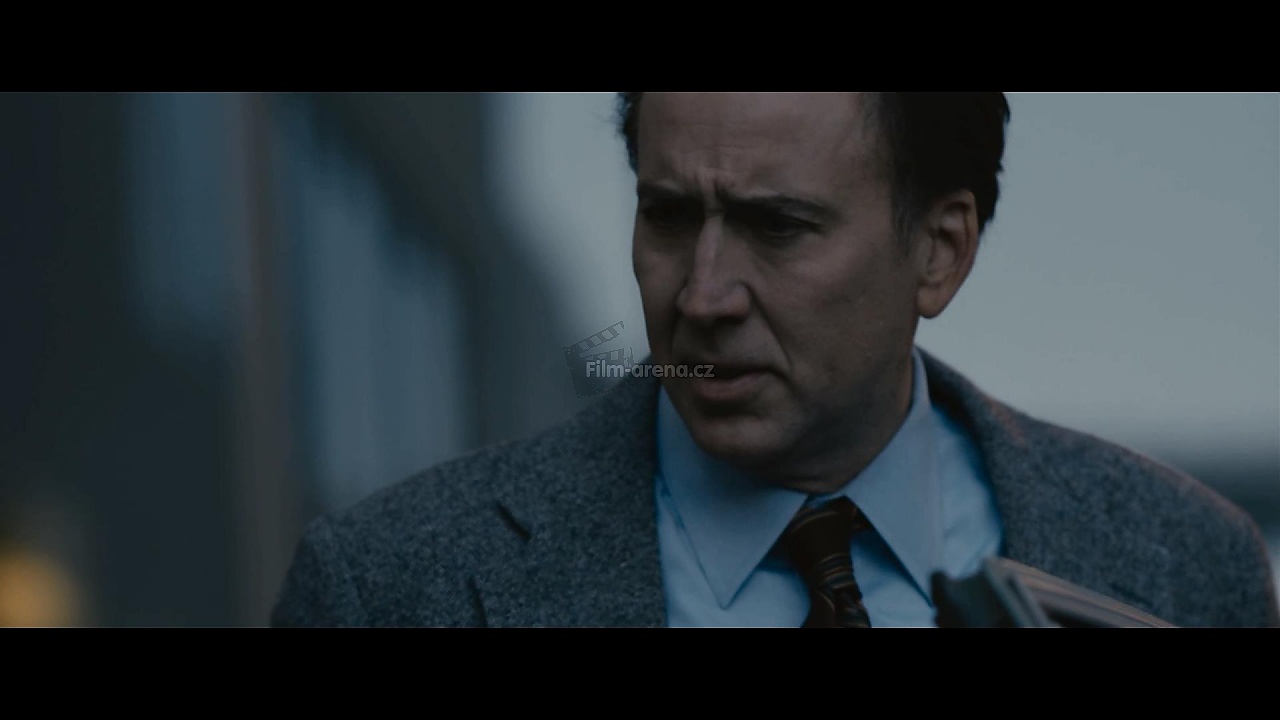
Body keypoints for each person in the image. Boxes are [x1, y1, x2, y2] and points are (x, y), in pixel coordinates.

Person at [270, 92, 1279, 628]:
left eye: (777, 227)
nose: (701, 295)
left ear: (940, 252)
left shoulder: (1186, 569)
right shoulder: (389, 589)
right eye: (670, 217)